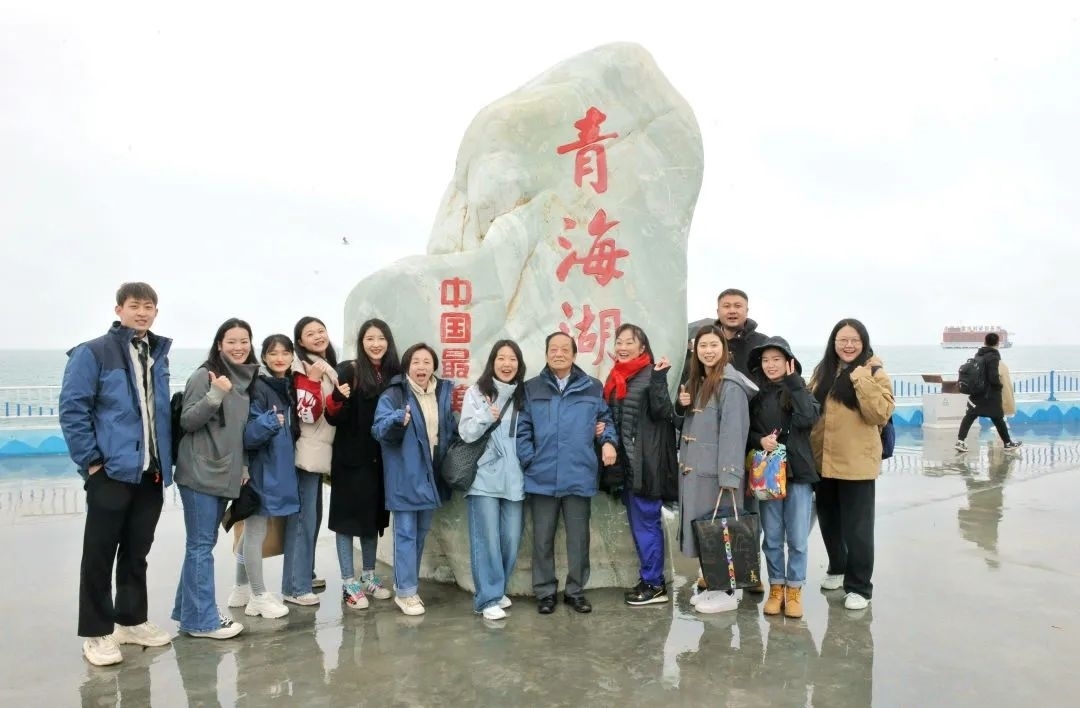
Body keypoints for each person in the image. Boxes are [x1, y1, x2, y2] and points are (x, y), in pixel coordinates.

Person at [59, 282, 174, 666]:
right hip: (110, 472)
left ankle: (131, 621)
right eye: (135, 305)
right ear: (119, 309)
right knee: (99, 553)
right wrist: (92, 462)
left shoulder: (157, 353)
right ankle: (96, 633)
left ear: (156, 312)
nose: (142, 312)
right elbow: (73, 408)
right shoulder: (93, 352)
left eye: (149, 306)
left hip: (149, 473)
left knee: (136, 552)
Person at [517, 332, 618, 615]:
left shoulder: (592, 387)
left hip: (578, 474)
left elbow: (605, 419)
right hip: (542, 476)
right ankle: (545, 592)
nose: (558, 353)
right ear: (546, 354)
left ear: (574, 355)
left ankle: (575, 592)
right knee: (542, 539)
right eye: (553, 349)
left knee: (578, 540)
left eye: (564, 349)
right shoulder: (532, 388)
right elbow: (523, 428)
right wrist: (529, 459)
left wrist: (608, 441)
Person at [172, 318, 259, 639]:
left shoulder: (245, 379)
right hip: (200, 473)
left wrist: (243, 467)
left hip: (225, 473)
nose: (239, 347)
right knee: (200, 546)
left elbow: (237, 431)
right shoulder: (204, 375)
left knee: (201, 545)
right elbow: (188, 420)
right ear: (219, 344)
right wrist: (214, 394)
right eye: (231, 341)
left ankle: (188, 611)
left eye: (244, 341)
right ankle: (202, 622)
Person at [809, 318, 895, 611]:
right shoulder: (824, 370)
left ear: (864, 343)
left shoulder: (874, 372)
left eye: (854, 340)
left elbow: (879, 413)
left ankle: (860, 587)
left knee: (858, 529)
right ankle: (837, 568)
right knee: (829, 521)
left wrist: (860, 377)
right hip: (822, 461)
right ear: (833, 343)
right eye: (842, 340)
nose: (848, 345)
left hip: (856, 462)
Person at [675, 324, 758, 614]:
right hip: (697, 472)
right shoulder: (699, 381)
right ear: (695, 350)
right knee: (707, 532)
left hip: (717, 475)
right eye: (703, 346)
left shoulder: (730, 385)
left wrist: (730, 476)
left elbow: (734, 433)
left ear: (724, 349)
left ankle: (728, 592)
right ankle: (714, 586)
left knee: (723, 531)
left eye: (713, 345)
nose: (708, 351)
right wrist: (681, 406)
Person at [372, 342, 455, 616]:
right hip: (405, 474)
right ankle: (405, 593)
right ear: (407, 366)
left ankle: (408, 586)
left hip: (432, 474)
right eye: (416, 361)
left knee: (419, 533)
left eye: (427, 362)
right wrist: (396, 420)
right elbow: (378, 429)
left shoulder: (441, 392)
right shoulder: (395, 394)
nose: (421, 367)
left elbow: (448, 430)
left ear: (434, 367)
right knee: (405, 533)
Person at [324, 319, 400, 610]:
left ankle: (369, 576)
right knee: (346, 521)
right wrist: (336, 398)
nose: (376, 344)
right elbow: (333, 416)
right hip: (350, 459)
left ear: (388, 342)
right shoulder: (350, 370)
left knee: (372, 519)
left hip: (380, 459)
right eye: (370, 338)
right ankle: (348, 583)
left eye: (381, 338)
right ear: (361, 342)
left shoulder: (393, 374)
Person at [601, 324, 678, 606]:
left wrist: (659, 379)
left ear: (642, 347)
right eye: (619, 342)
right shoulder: (617, 376)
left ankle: (655, 585)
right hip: (626, 467)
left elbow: (663, 412)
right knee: (640, 525)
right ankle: (649, 579)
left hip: (645, 467)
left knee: (646, 524)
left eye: (629, 342)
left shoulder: (649, 374)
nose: (622, 347)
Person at [746, 337, 820, 619]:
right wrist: (759, 440)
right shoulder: (756, 396)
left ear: (789, 362)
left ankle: (795, 589)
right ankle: (776, 588)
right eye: (766, 360)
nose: (770, 365)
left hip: (798, 474)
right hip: (768, 475)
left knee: (798, 538)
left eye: (776, 359)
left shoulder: (800, 390)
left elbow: (808, 418)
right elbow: (746, 430)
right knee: (773, 536)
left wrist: (794, 383)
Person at [229, 334, 302, 619]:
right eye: (273, 353)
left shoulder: (286, 385)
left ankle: (240, 588)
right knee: (255, 529)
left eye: (285, 353)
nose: (279, 358)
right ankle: (258, 596)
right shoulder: (258, 387)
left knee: (252, 529)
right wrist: (270, 422)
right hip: (261, 468)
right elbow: (247, 434)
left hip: (276, 467)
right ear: (264, 357)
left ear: (292, 356)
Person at [458, 340, 528, 621]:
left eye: (512, 359)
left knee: (511, 537)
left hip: (515, 477)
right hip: (484, 476)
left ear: (519, 364)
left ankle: (497, 591)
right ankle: (486, 598)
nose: (507, 363)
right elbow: (466, 433)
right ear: (492, 361)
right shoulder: (476, 392)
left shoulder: (525, 395)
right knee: (486, 539)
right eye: (501, 358)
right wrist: (486, 415)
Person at [283, 316, 338, 605]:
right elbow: (306, 413)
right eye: (310, 333)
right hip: (306, 450)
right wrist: (314, 381)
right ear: (300, 341)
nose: (318, 336)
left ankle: (305, 572)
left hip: (318, 450)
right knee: (304, 519)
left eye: (321, 330)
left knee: (312, 516)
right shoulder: (303, 367)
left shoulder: (323, 364)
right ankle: (295, 586)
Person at [955, 332, 1021, 452]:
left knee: (970, 416)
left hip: (976, 391)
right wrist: (999, 386)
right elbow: (993, 377)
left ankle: (960, 441)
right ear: (997, 343)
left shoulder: (978, 354)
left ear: (985, 342)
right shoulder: (993, 357)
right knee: (998, 418)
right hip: (990, 394)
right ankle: (1008, 443)